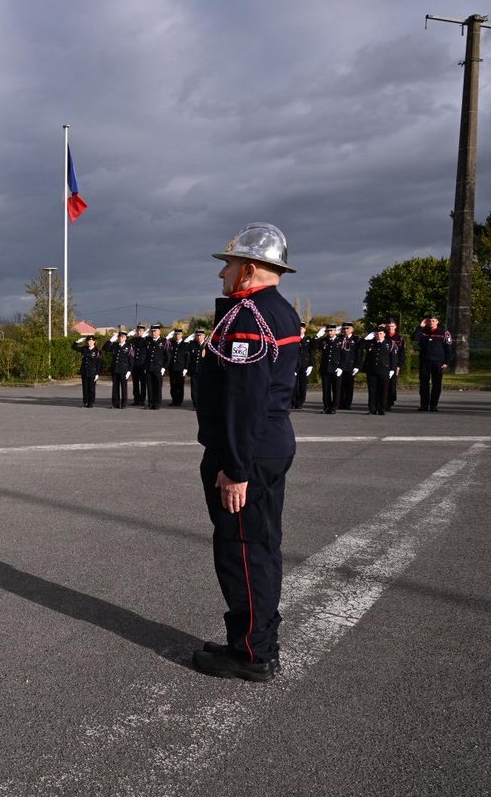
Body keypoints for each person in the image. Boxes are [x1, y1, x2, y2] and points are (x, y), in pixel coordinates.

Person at [193, 222, 300, 682]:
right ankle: (257, 640)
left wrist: (234, 468)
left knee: (242, 550)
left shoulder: (247, 318)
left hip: (248, 453)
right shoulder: (280, 311)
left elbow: (243, 398)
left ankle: (251, 654)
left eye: (229, 265)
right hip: (267, 445)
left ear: (250, 269)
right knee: (259, 546)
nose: (222, 275)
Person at [412, 313, 454, 412]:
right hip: (425, 361)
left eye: (433, 321)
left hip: (438, 362)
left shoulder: (444, 332)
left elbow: (448, 349)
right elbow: (414, 338)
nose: (432, 322)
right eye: (430, 321)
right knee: (424, 384)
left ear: (437, 322)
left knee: (436, 384)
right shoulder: (423, 331)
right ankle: (424, 405)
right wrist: (420, 326)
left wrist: (446, 362)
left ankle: (433, 405)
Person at [362, 324, 395, 416]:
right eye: (376, 334)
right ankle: (372, 409)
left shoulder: (390, 344)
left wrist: (392, 369)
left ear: (384, 334)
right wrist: (366, 338)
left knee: (383, 391)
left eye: (380, 333)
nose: (378, 335)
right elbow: (359, 346)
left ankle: (381, 409)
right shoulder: (370, 343)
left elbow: (393, 358)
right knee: (372, 391)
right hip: (372, 371)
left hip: (384, 370)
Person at [313, 325, 344, 414]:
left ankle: (334, 407)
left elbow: (344, 355)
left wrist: (341, 367)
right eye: (328, 331)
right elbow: (313, 346)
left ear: (335, 331)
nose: (330, 333)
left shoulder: (340, 341)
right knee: (326, 389)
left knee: (336, 389)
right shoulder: (324, 341)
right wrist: (317, 336)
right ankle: (326, 407)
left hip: (336, 369)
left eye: (332, 331)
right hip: (325, 368)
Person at [103, 330, 134, 408]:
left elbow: (131, 360)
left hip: (124, 370)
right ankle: (115, 404)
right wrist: (110, 341)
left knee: (124, 387)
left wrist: (129, 371)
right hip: (115, 369)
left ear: (126, 338)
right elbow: (105, 348)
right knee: (115, 388)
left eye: (122, 337)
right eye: (119, 337)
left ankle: (124, 404)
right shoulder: (115, 345)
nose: (120, 338)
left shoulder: (129, 347)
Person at [71, 334, 103, 407]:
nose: (89, 342)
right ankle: (85, 402)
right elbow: (74, 347)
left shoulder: (98, 351)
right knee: (85, 388)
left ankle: (91, 402)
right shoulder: (84, 349)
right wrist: (77, 341)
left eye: (91, 341)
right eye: (88, 340)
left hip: (93, 372)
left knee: (91, 388)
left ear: (94, 341)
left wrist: (97, 373)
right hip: (85, 371)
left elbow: (99, 363)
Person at [141, 324, 168, 410]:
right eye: (152, 331)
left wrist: (164, 367)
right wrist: (145, 367)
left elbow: (168, 356)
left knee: (157, 386)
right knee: (149, 386)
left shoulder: (164, 341)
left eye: (155, 331)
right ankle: (150, 403)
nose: (153, 333)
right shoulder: (147, 341)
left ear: (159, 331)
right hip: (149, 367)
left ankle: (157, 404)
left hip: (158, 367)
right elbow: (144, 354)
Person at [338, 322, 360, 410]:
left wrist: (357, 366)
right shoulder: (339, 338)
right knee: (340, 386)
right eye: (344, 329)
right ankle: (339, 403)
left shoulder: (356, 339)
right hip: (340, 366)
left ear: (352, 330)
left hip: (350, 366)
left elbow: (358, 354)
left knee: (349, 386)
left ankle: (347, 404)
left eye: (348, 328)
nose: (346, 330)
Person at [384, 318, 405, 409]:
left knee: (392, 384)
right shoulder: (383, 336)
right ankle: (383, 401)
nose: (390, 328)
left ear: (395, 327)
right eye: (388, 326)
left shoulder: (399, 338)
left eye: (392, 326)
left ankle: (390, 402)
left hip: (394, 364)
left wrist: (399, 365)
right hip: (384, 363)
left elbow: (402, 353)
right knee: (383, 383)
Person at [291, 322, 312, 409]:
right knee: (294, 385)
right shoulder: (294, 339)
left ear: (305, 330)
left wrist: (311, 365)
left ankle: (300, 402)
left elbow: (311, 353)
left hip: (304, 365)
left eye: (302, 328)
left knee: (303, 385)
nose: (300, 330)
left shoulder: (308, 340)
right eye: (299, 328)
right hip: (295, 365)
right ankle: (293, 402)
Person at [168, 328, 189, 406]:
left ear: (182, 335)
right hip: (172, 368)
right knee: (173, 385)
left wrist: (186, 368)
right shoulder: (171, 343)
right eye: (176, 334)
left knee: (180, 385)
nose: (177, 336)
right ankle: (174, 400)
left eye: (179, 334)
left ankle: (179, 401)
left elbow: (187, 357)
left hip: (181, 368)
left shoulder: (185, 344)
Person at [129, 323, 148, 405]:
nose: (139, 332)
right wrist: (129, 335)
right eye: (138, 331)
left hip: (143, 365)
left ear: (144, 331)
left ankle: (142, 400)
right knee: (135, 383)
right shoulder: (134, 340)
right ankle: (136, 399)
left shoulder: (146, 340)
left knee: (143, 384)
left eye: (141, 331)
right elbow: (126, 342)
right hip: (135, 365)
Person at [188, 329, 206, 407]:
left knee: (203, 388)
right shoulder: (192, 344)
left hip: (203, 371)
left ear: (204, 336)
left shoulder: (207, 346)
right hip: (194, 370)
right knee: (194, 388)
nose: (198, 337)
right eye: (197, 336)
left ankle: (202, 404)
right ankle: (195, 404)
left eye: (200, 336)